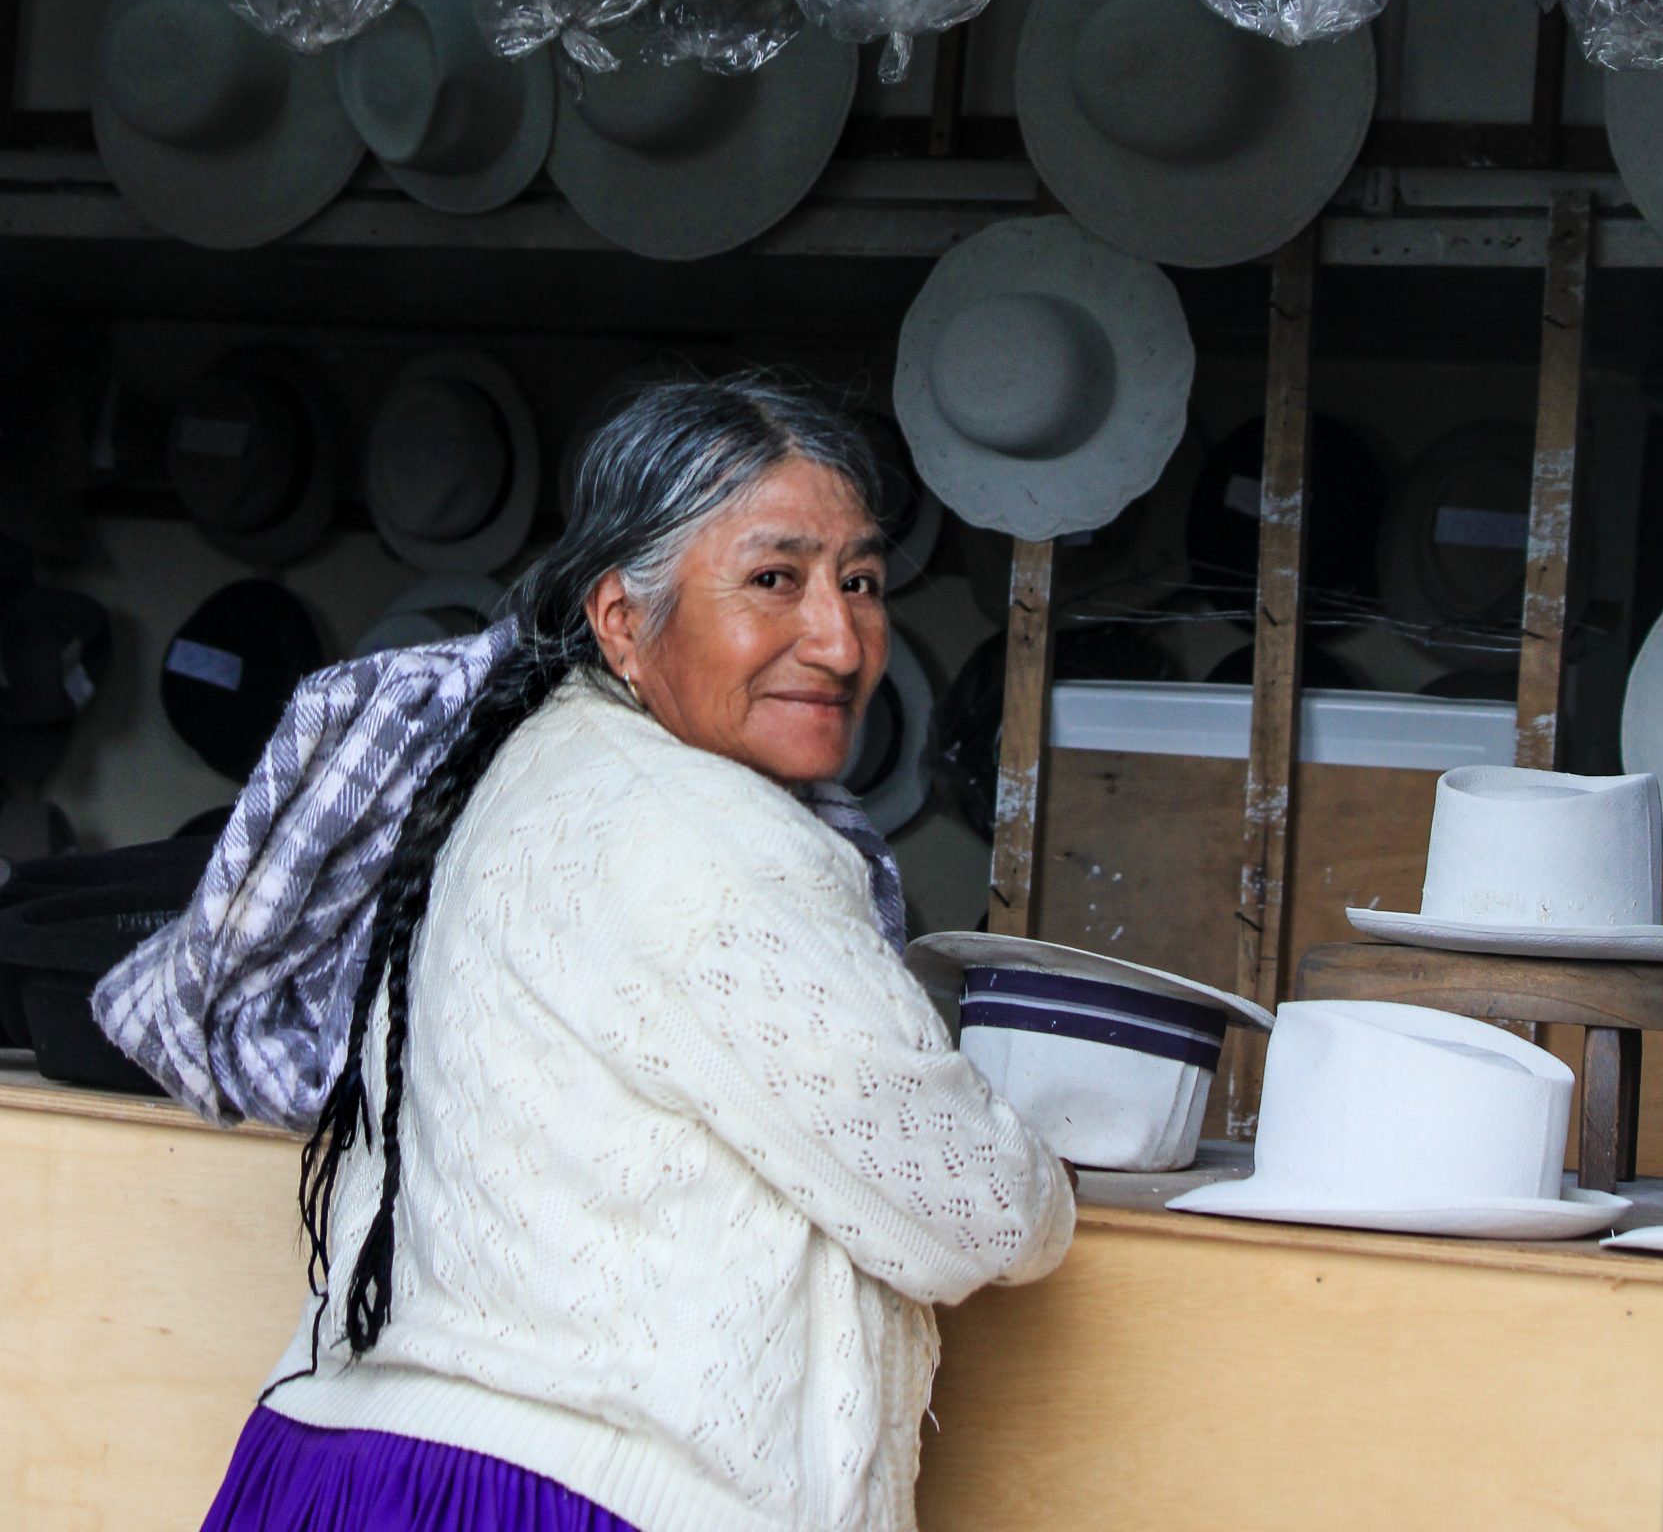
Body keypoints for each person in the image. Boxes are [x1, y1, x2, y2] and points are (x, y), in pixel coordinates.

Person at [200, 373, 1074, 1532]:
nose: (839, 638)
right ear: (621, 618)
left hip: (356, 1471)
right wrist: (1049, 1170)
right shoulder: (707, 834)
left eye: (860, 580)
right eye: (775, 579)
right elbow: (979, 1209)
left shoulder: (535, 765)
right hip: (555, 1498)